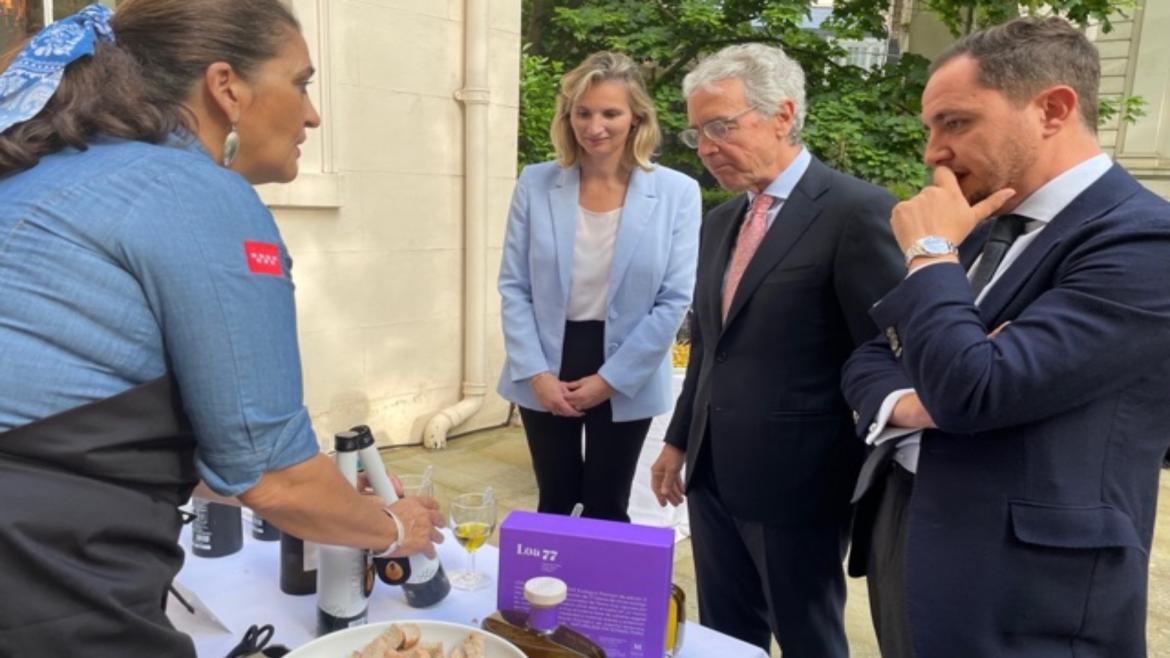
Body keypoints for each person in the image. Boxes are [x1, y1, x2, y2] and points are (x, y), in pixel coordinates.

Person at [0, 2, 444, 656]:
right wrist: (391, 526)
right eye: (300, 84)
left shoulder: (45, 173)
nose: (312, 114)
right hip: (45, 577)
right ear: (226, 87)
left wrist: (316, 490)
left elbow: (81, 429)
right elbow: (277, 480)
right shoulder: (196, 192)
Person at [842, 17, 1170, 658]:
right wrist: (910, 402)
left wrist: (931, 257)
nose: (933, 152)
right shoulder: (976, 224)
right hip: (908, 529)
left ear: (1052, 109)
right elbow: (873, 354)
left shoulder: (1141, 240)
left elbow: (972, 389)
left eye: (956, 123)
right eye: (930, 128)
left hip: (1028, 592)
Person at [650, 44, 904, 656]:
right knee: (724, 636)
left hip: (800, 485)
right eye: (696, 133)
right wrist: (679, 441)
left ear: (783, 115)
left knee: (807, 636)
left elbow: (886, 353)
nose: (706, 147)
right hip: (710, 479)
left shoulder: (857, 212)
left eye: (721, 126)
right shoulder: (720, 223)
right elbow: (711, 348)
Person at [497, 51, 700, 522]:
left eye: (611, 113)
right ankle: (550, 598)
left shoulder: (677, 193)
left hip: (627, 364)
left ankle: (605, 599)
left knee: (608, 505)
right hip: (546, 360)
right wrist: (536, 373)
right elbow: (514, 285)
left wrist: (610, 381)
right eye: (583, 112)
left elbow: (673, 299)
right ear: (568, 118)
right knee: (557, 499)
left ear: (636, 119)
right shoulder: (535, 182)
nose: (595, 126)